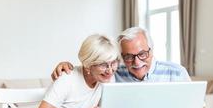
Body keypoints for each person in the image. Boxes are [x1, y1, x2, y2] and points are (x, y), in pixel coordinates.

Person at [29, 34, 120, 108]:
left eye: (113, 62)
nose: (110, 70)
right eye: (103, 64)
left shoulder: (107, 78)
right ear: (87, 66)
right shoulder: (66, 79)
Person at [51, 27, 190, 83]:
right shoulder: (115, 73)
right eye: (128, 57)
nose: (136, 62)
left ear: (152, 50)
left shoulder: (177, 73)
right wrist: (68, 66)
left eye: (142, 54)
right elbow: (94, 67)